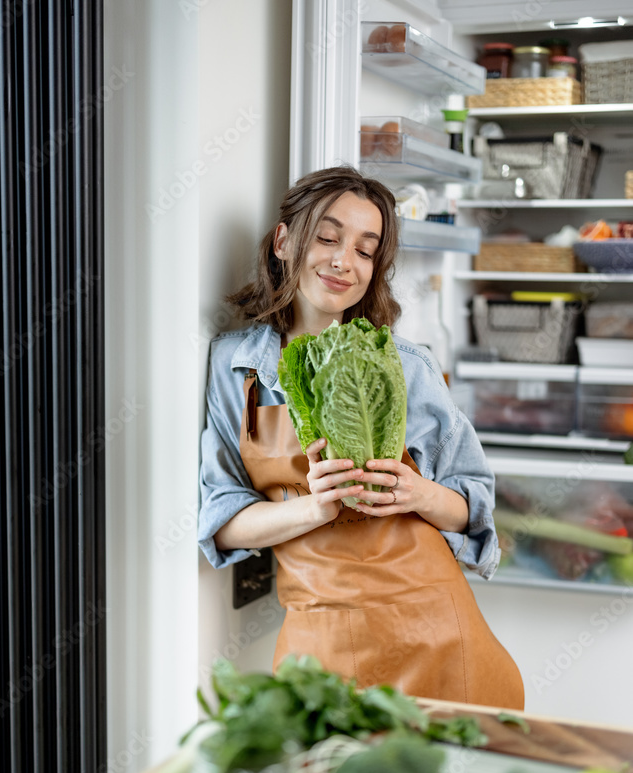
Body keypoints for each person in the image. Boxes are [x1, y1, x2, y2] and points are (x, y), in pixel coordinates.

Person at [198, 166, 524, 709]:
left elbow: (476, 508)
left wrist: (420, 494)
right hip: (321, 643)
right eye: (327, 238)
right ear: (284, 240)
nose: (343, 261)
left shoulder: (406, 365)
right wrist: (314, 509)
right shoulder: (236, 367)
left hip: (441, 639)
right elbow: (223, 520)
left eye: (366, 250)